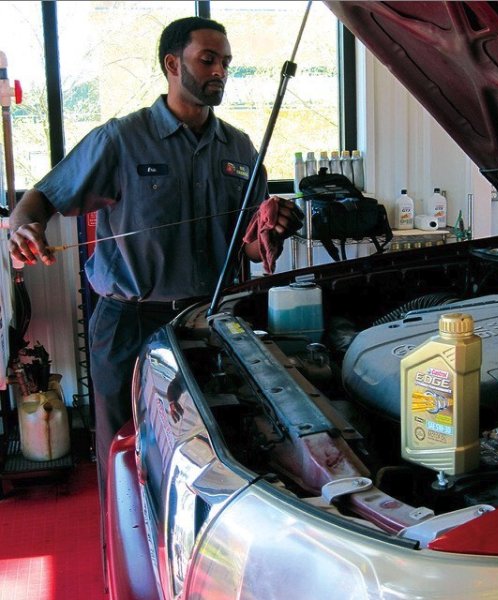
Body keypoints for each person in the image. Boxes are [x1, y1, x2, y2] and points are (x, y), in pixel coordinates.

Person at [8, 16, 303, 505]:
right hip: (129, 325)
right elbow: (41, 197)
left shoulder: (240, 148)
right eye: (207, 59)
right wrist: (24, 228)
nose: (220, 71)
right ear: (172, 64)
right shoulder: (121, 139)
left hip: (207, 323)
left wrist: (276, 228)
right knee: (125, 451)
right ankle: (122, 533)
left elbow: (250, 247)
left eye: (226, 62)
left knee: (214, 451)